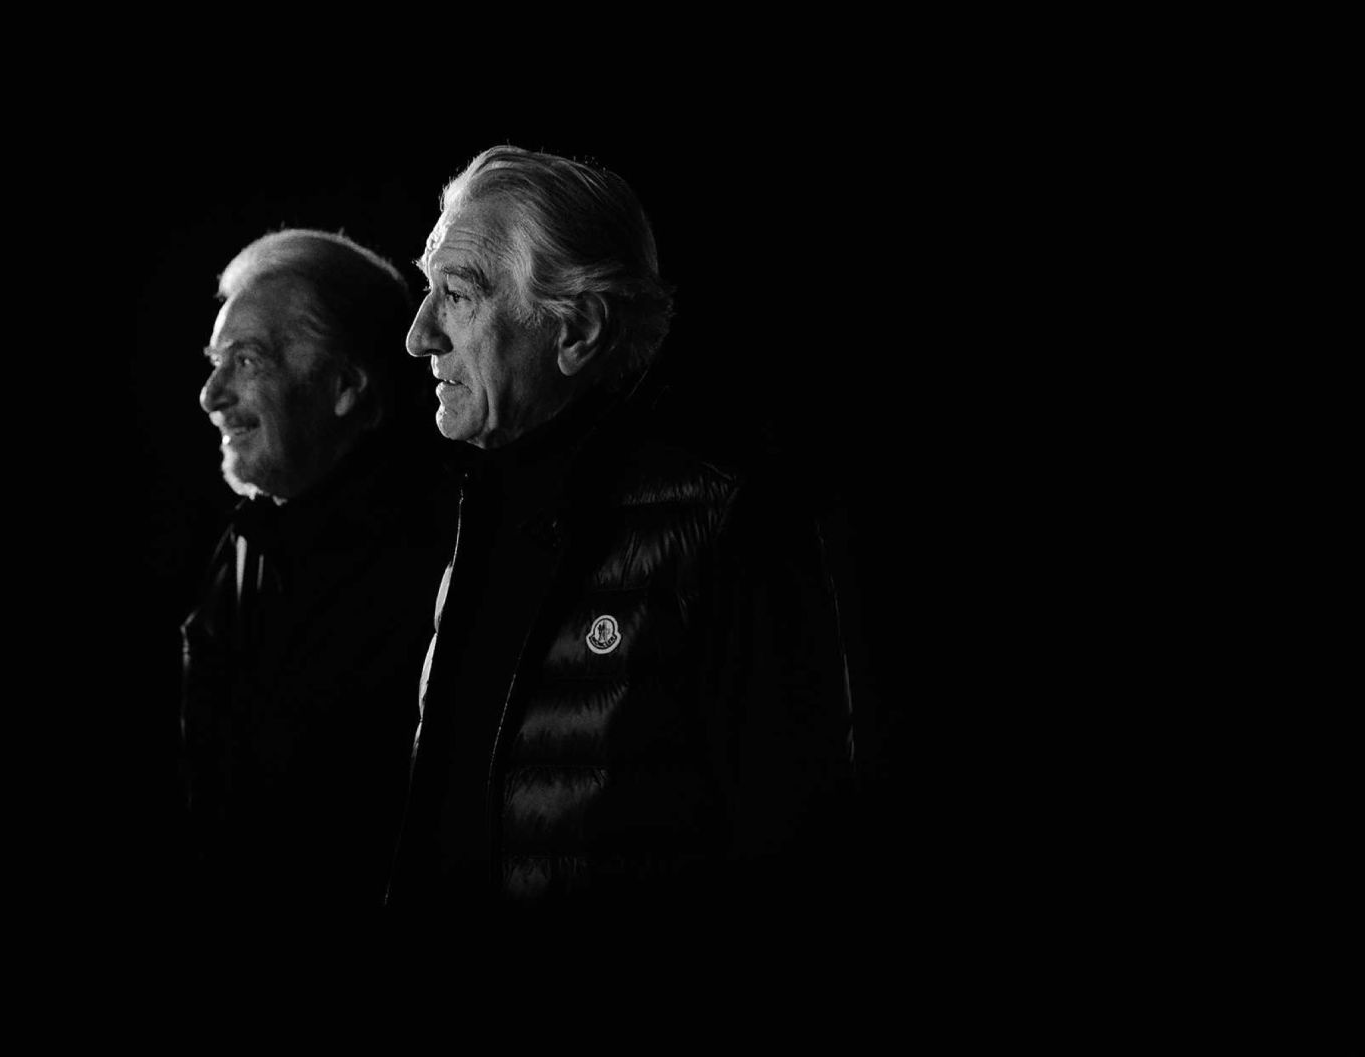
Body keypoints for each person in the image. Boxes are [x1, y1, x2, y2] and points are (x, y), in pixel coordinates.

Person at [385, 145, 866, 937]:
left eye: (457, 294)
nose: (418, 335)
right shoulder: (474, 517)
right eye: (426, 290)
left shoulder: (726, 525)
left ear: (577, 329)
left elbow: (794, 854)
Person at [178, 227, 454, 928]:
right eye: (215, 361)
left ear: (346, 385)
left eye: (247, 360)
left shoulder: (443, 558)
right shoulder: (243, 549)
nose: (211, 395)